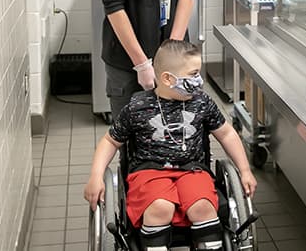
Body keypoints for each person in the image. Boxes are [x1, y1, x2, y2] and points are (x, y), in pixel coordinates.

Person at [84, 39, 257, 251]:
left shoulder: (201, 102)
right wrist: (95, 176)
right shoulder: (138, 106)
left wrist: (245, 170)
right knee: (160, 208)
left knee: (203, 206)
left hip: (193, 170)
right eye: (193, 74)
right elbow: (110, 141)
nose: (199, 80)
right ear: (167, 78)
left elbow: (227, 133)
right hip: (148, 172)